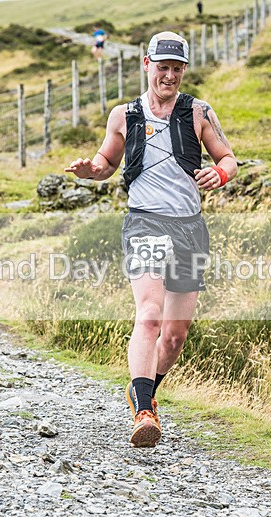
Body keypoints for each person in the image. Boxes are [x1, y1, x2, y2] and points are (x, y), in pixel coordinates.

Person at [64, 31, 237, 448]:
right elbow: (107, 161)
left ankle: (143, 390)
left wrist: (221, 173)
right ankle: (143, 411)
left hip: (190, 228)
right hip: (145, 223)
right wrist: (93, 170)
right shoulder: (123, 115)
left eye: (178, 69)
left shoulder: (199, 112)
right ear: (147, 65)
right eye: (163, 68)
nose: (170, 76)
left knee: (175, 335)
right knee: (149, 315)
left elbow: (228, 157)